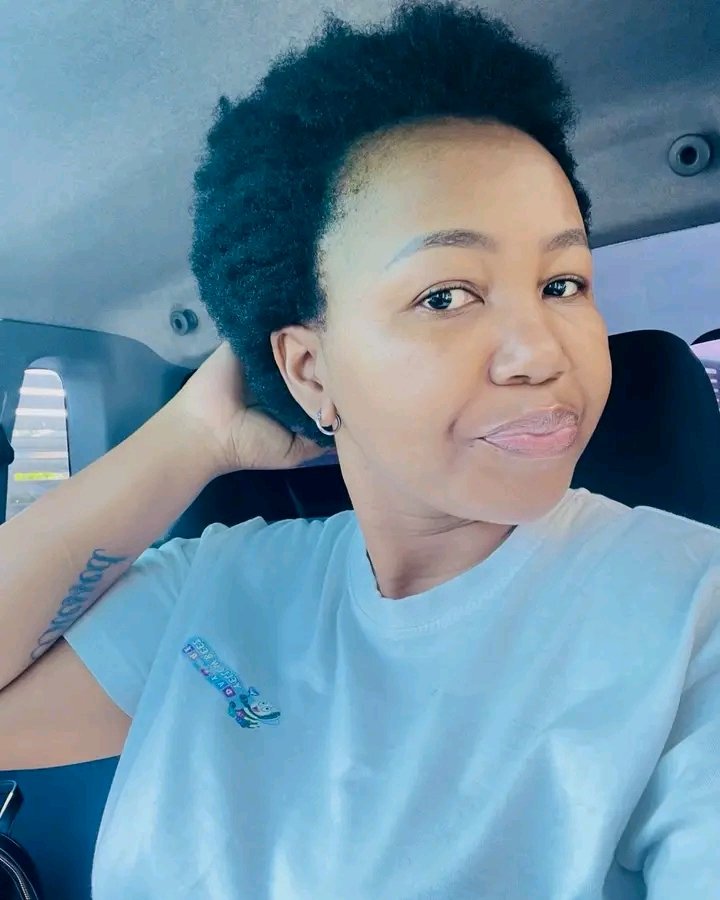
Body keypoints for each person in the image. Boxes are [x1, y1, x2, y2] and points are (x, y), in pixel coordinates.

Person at [1, 2, 718, 897]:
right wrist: (187, 439)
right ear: (310, 369)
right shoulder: (215, 586)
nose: (543, 352)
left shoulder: (693, 616)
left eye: (563, 283)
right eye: (447, 296)